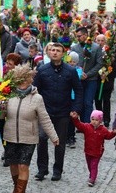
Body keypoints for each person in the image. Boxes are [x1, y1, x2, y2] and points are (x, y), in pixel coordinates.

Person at [3, 64, 59, 193]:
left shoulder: (37, 98)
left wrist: (53, 136)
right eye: (19, 80)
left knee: (23, 165)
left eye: (24, 79)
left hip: (29, 137)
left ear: (30, 80)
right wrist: (1, 107)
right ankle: (16, 187)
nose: (21, 83)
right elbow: (2, 116)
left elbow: (44, 118)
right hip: (10, 136)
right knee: (13, 164)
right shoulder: (8, 94)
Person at [33, 42, 83, 181]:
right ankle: (42, 169)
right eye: (52, 50)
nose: (55, 52)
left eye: (58, 50)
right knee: (42, 139)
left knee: (59, 142)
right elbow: (35, 91)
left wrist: (76, 109)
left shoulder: (70, 71)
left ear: (63, 53)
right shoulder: (42, 70)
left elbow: (78, 91)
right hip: (45, 112)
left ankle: (57, 170)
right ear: (49, 53)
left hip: (63, 111)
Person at [70, 110, 116, 187]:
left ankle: (92, 179)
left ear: (100, 121)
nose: (94, 121)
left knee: (94, 165)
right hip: (88, 151)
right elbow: (79, 125)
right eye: (92, 119)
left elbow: (108, 136)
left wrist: (114, 132)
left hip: (98, 152)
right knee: (89, 165)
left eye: (96, 120)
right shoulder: (87, 127)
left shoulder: (103, 130)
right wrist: (75, 118)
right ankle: (92, 174)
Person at [71, 26, 104, 123]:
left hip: (91, 79)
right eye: (76, 36)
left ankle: (87, 124)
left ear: (86, 35)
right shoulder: (74, 47)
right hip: (78, 80)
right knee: (79, 102)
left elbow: (99, 63)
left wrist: (88, 74)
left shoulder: (96, 47)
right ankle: (80, 123)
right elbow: (71, 63)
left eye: (79, 36)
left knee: (88, 102)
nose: (78, 38)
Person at [94, 34, 116, 127]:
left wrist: (106, 73)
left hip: (107, 80)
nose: (100, 42)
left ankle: (107, 119)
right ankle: (99, 118)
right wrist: (99, 73)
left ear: (105, 41)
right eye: (98, 40)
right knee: (97, 100)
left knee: (106, 100)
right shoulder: (94, 51)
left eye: (102, 40)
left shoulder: (109, 52)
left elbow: (114, 65)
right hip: (96, 79)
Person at [65, 51, 83, 148]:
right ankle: (65, 135)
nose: (72, 63)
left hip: (74, 97)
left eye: (74, 62)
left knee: (72, 117)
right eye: (70, 61)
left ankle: (71, 136)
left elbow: (78, 78)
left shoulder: (78, 70)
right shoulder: (65, 69)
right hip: (66, 96)